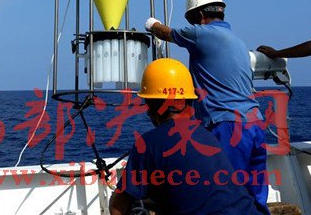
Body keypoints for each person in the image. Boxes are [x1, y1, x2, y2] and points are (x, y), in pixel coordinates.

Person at [144, 0, 269, 214]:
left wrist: (151, 24)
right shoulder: (238, 42)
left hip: (228, 125)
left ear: (200, 15)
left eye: (191, 20)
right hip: (255, 124)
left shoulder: (202, 34)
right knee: (255, 194)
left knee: (225, 192)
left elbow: (165, 33)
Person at [109, 58, 266, 215]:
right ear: (189, 101)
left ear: (151, 104)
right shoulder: (207, 137)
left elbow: (118, 209)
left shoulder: (148, 144)